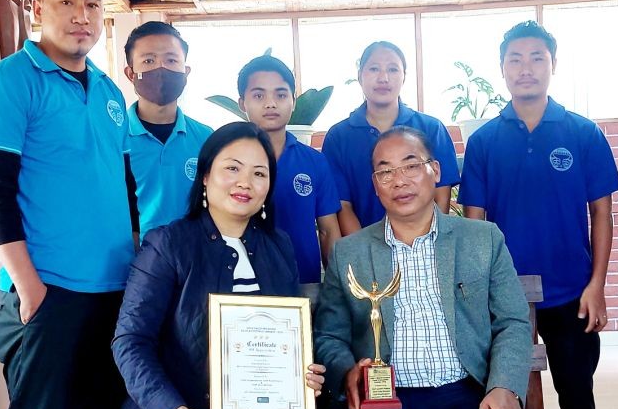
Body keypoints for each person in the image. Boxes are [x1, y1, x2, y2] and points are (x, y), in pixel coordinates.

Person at [0, 0, 134, 409]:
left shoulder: (110, 93)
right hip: (47, 296)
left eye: (91, 2)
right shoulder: (8, 81)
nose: (81, 14)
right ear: (38, 8)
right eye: (66, 1)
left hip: (112, 297)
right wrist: (29, 287)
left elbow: (123, 191)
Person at [112, 122, 334, 409]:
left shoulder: (278, 247)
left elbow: (284, 335)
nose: (245, 181)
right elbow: (129, 343)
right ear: (205, 176)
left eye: (259, 173)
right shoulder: (168, 244)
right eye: (232, 168)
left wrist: (301, 374)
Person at [315, 127, 536, 409]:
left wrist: (503, 386)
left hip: (466, 392)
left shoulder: (483, 239)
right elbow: (329, 334)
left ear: (434, 170)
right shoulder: (349, 252)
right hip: (388, 397)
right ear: (374, 184)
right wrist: (346, 372)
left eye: (410, 165)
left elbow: (513, 321)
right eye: (385, 171)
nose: (398, 180)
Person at [458, 21, 617, 409]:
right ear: (502, 69)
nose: (526, 69)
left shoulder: (583, 133)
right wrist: (478, 293)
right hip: (503, 296)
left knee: (576, 391)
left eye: (536, 59)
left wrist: (597, 285)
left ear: (553, 65)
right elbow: (474, 224)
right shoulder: (485, 141)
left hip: (572, 291)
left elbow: (602, 215)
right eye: (515, 60)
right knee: (509, 391)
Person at [322, 41, 460, 235]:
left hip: (424, 249)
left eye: (393, 69)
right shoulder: (338, 137)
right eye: (374, 69)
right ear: (360, 76)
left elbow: (440, 195)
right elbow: (342, 205)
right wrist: (365, 253)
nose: (383, 78)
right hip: (365, 252)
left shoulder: (431, 128)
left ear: (404, 77)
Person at [237, 55, 341, 297]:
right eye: (259, 95)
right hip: (242, 286)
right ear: (242, 103)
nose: (271, 104)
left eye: (281, 95)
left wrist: (337, 289)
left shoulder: (314, 161)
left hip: (304, 284)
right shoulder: (228, 161)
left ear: (293, 101)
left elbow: (328, 230)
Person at [123, 21, 213, 241]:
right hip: (129, 265)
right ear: (130, 73)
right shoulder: (111, 136)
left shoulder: (206, 138)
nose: (160, 69)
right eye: (148, 60)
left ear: (186, 71)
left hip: (194, 263)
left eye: (171, 60)